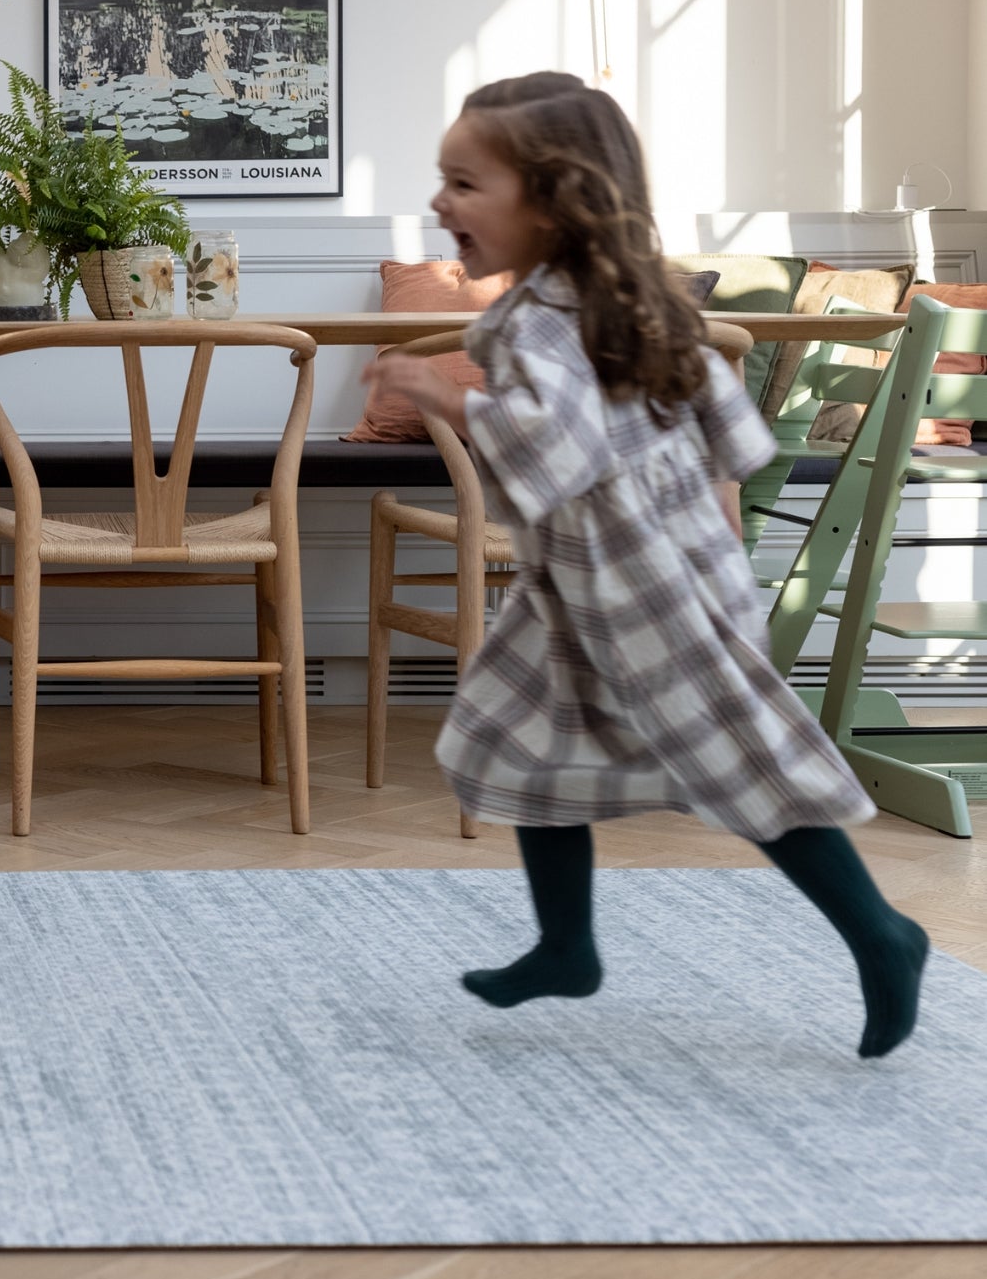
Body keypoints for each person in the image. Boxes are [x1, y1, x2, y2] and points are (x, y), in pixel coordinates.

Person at [362, 71, 928, 1059]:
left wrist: (438, 391)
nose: (438, 203)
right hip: (592, 582)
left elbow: (558, 450)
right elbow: (724, 433)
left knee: (741, 766)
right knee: (514, 739)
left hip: (643, 589)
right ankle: (566, 944)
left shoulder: (545, 320)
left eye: (462, 183)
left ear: (549, 199)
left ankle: (884, 934)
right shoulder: (620, 297)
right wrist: (725, 548)